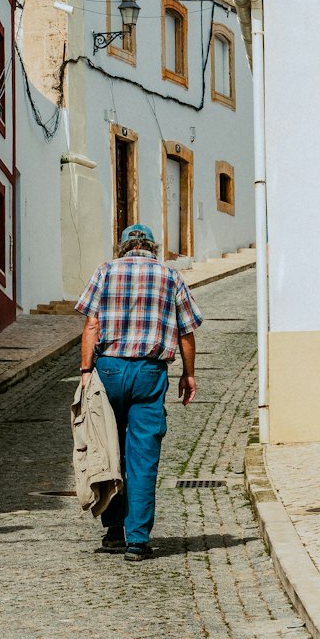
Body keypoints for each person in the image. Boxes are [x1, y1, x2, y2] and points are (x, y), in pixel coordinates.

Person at [75, 223, 202, 562]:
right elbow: (186, 332)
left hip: (110, 369)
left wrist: (86, 370)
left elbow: (91, 324)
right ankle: (138, 540)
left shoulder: (105, 271)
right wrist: (188, 375)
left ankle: (114, 530)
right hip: (149, 372)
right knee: (143, 457)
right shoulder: (169, 275)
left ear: (123, 248)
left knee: (108, 450)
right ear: (153, 247)